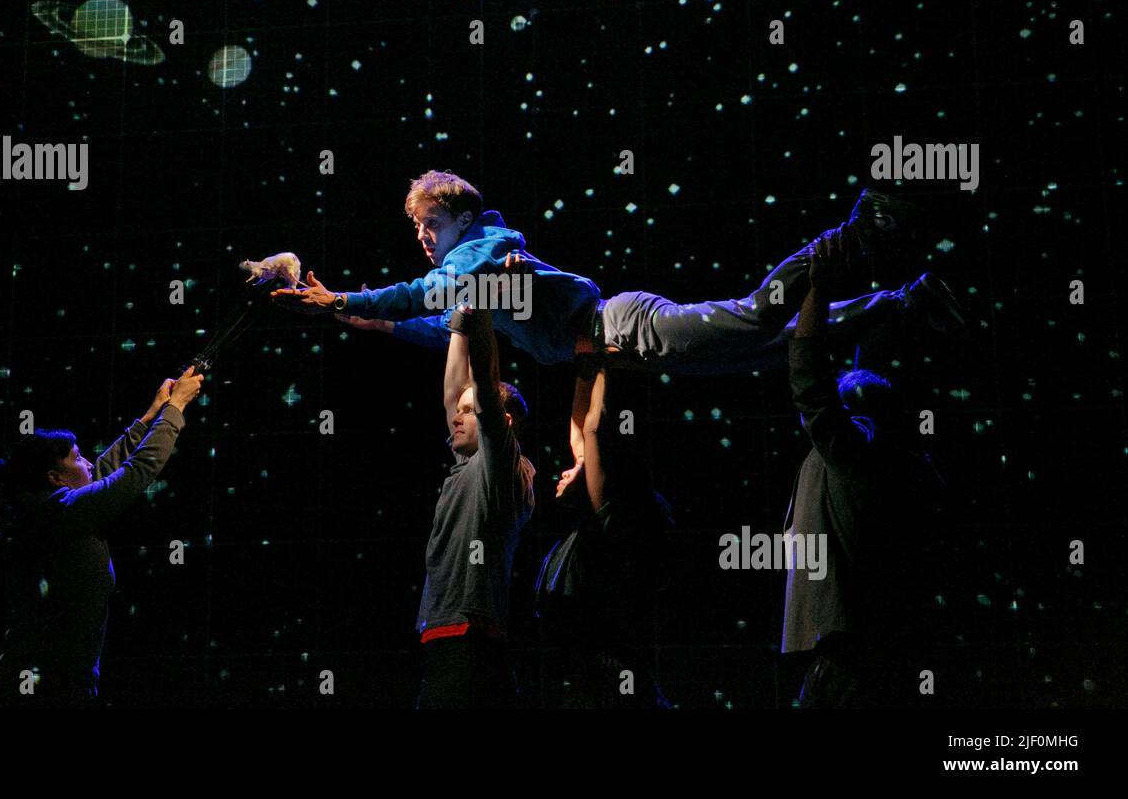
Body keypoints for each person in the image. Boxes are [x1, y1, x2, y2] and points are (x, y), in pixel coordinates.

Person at [266, 170, 962, 484]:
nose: (422, 236)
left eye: (429, 224)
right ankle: (904, 301)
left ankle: (853, 229)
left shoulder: (481, 245)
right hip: (621, 350)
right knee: (775, 347)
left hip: (621, 325)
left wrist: (346, 301)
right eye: (417, 228)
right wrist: (349, 313)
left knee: (757, 315)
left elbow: (431, 293)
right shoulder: (471, 281)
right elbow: (432, 324)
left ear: (460, 219)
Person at [780, 234, 945, 707]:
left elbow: (809, 376)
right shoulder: (869, 462)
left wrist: (820, 289)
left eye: (845, 399)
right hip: (852, 651)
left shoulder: (858, 456)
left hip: (853, 660)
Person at [0, 366, 203, 707]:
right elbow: (135, 472)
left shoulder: (53, 509)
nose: (88, 461)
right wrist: (176, 409)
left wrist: (151, 414)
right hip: (48, 689)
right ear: (56, 478)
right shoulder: (62, 513)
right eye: (77, 457)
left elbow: (100, 472)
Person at [416, 304, 536, 709]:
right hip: (444, 636)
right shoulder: (466, 466)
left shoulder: (501, 468)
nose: (456, 417)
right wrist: (458, 323)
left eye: (468, 413)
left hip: (470, 638)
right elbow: (455, 390)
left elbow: (483, 384)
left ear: (497, 420)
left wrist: (479, 310)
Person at [535, 358, 673, 708]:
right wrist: (586, 365)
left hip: (610, 675)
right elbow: (582, 435)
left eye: (576, 469)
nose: (565, 472)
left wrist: (603, 363)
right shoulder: (593, 524)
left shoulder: (609, 524)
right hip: (593, 671)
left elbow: (594, 429)